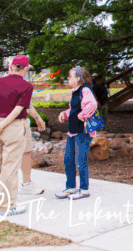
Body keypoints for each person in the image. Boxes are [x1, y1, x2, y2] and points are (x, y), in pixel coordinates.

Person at [0, 55, 33, 216]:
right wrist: (0, 126)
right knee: (10, 167)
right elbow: (17, 110)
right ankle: (7, 207)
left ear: (11, 67)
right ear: (26, 69)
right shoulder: (26, 86)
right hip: (13, 126)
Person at [55, 66, 97, 200]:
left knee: (81, 160)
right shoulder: (75, 92)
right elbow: (73, 109)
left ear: (78, 78)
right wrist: (64, 113)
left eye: (70, 76)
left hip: (82, 132)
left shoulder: (85, 90)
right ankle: (71, 187)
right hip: (72, 131)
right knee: (68, 159)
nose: (68, 78)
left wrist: (83, 115)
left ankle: (84, 190)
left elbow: (92, 104)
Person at [19, 100, 47, 195]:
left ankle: (26, 184)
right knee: (23, 153)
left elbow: (27, 103)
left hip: (0, 121)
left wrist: (38, 118)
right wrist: (38, 118)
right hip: (17, 122)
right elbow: (26, 103)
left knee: (26, 152)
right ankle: (24, 184)